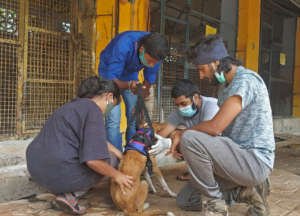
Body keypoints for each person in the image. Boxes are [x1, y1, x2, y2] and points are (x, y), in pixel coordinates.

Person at [170, 35, 275, 216]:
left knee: (189, 137)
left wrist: (183, 134)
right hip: (236, 158)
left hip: (254, 160)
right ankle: (247, 192)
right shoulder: (224, 87)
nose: (201, 76)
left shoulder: (246, 81)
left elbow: (215, 127)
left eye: (202, 70)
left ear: (216, 62)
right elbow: (220, 134)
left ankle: (215, 206)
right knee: (186, 200)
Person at [26, 76, 133, 215]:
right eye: (113, 105)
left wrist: (120, 153)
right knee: (108, 160)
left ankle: (60, 186)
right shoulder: (94, 110)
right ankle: (69, 195)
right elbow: (93, 160)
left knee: (112, 155)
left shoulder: (71, 106)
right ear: (109, 96)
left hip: (35, 168)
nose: (110, 109)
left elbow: (97, 140)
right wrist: (118, 175)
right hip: (58, 170)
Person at [98, 31, 169, 151]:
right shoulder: (123, 45)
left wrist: (140, 103)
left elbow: (148, 80)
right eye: (150, 61)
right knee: (113, 120)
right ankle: (117, 158)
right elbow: (110, 82)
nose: (151, 65)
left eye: (155, 63)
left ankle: (132, 151)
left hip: (130, 74)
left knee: (134, 117)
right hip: (109, 74)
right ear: (142, 49)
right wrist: (129, 85)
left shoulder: (156, 55)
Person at [149, 79, 219, 181]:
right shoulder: (180, 112)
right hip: (203, 145)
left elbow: (209, 134)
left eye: (183, 103)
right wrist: (151, 144)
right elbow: (163, 133)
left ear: (195, 97)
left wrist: (172, 141)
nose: (181, 108)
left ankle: (208, 173)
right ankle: (197, 171)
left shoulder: (211, 105)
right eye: (177, 105)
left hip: (221, 146)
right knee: (177, 138)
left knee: (183, 138)